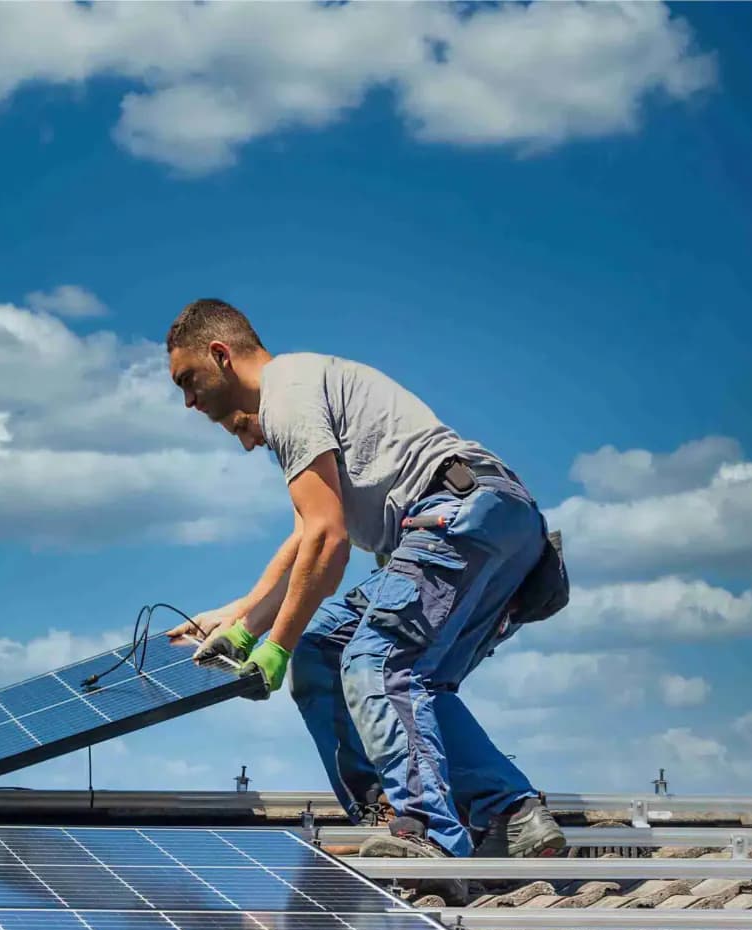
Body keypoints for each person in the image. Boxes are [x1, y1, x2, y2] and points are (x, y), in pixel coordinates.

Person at [163, 298, 568, 859]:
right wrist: (243, 618)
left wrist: (273, 646)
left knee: (377, 662)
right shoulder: (306, 389)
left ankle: (425, 833)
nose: (188, 400)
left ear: (220, 354)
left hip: (456, 519)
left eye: (188, 380)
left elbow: (328, 544)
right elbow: (309, 536)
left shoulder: (285, 396)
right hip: (493, 524)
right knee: (328, 650)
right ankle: (510, 815)